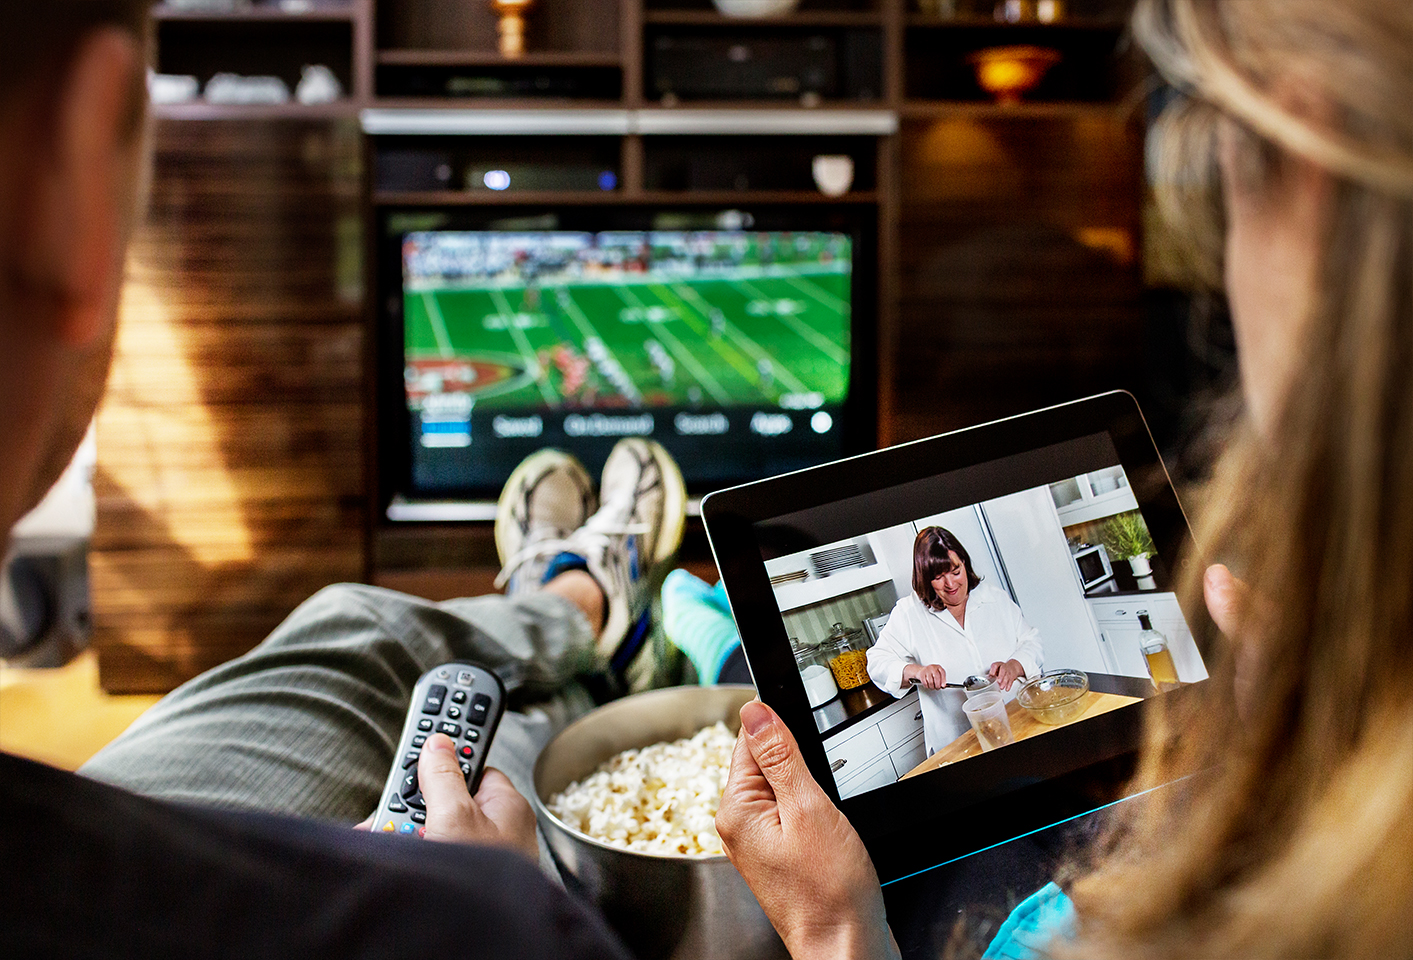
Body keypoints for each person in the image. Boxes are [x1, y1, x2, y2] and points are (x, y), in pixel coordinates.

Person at [718, 1, 1413, 958]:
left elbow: (1028, 649)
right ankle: (662, 614)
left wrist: (832, 928)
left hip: (997, 805)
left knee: (925, 848)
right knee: (734, 661)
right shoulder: (913, 619)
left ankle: (607, 592)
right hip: (962, 753)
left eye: (1217, 155)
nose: (954, 582)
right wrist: (919, 668)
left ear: (1306, 175)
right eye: (943, 576)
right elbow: (889, 669)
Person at [0, 3, 672, 953]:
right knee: (493, 734)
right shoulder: (478, 928)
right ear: (74, 164)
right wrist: (497, 915)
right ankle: (593, 605)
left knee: (355, 622)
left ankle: (562, 596)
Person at [866, 527, 1043, 754]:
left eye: (955, 571)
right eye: (938, 577)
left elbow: (1032, 641)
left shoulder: (993, 597)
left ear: (964, 563)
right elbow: (877, 662)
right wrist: (916, 671)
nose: (950, 584)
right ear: (925, 578)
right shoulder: (909, 613)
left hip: (1017, 723)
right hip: (957, 744)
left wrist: (1014, 665)